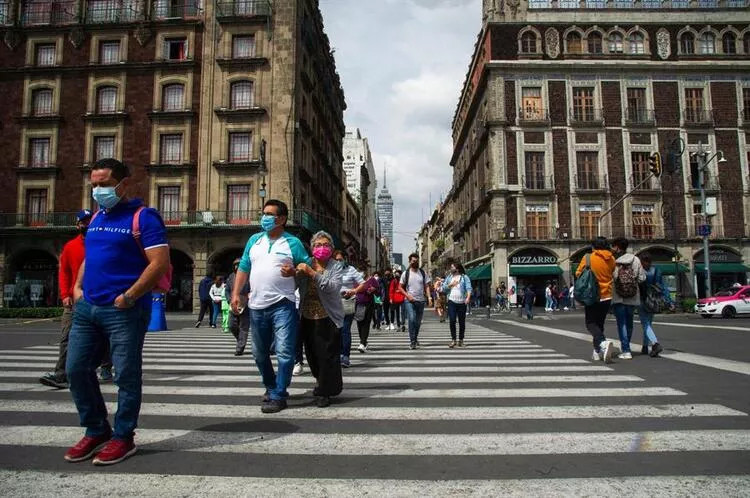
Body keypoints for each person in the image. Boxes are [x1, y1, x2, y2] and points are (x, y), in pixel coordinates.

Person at [65, 158, 169, 466]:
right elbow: (91, 256)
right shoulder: (97, 217)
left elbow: (159, 262)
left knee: (126, 374)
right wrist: (78, 287)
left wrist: (130, 296)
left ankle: (123, 437)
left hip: (123, 309)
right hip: (87, 307)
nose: (98, 190)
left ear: (123, 185)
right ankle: (96, 429)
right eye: (94, 184)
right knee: (75, 369)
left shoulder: (144, 217)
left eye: (105, 184)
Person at [231, 199, 310, 414]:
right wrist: (236, 293)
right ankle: (271, 385)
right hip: (256, 305)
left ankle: (279, 394)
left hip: (283, 304)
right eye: (263, 213)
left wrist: (294, 271)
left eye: (269, 214)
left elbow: (306, 265)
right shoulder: (254, 240)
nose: (264, 217)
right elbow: (244, 268)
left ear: (282, 219)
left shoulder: (293, 242)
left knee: (285, 352)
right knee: (259, 354)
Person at [39, 209, 92, 390]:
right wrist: (65, 295)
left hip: (97, 298)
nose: (86, 225)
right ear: (77, 225)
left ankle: (104, 367)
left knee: (104, 337)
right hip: (75, 301)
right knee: (66, 336)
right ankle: (61, 374)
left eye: (89, 221)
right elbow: (64, 273)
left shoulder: (101, 244)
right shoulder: (70, 247)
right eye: (83, 222)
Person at [295, 231, 344, 407]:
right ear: (311, 247)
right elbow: (294, 281)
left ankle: (324, 391)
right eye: (317, 245)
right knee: (312, 355)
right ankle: (320, 382)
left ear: (331, 248)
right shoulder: (306, 263)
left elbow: (332, 288)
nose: (321, 248)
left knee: (327, 356)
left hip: (328, 317)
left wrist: (312, 273)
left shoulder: (336, 266)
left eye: (325, 245)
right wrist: (291, 273)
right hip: (307, 315)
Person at [575, 236, 617, 363]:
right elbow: (612, 272)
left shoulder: (588, 258)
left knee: (590, 323)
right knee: (599, 324)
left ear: (594, 246)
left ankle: (603, 343)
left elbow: (578, 273)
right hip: (607, 295)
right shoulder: (611, 259)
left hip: (592, 295)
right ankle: (597, 352)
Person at [611, 237, 647, 360]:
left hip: (618, 296)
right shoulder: (635, 259)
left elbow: (613, 277)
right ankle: (627, 348)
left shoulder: (614, 261)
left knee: (621, 324)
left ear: (617, 247)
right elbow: (642, 278)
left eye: (613, 246)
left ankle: (625, 349)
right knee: (629, 322)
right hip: (632, 296)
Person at [332, 250, 364, 368]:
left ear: (345, 259)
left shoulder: (351, 269)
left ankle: (345, 356)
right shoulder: (330, 270)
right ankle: (338, 354)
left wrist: (353, 291)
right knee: (336, 331)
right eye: (337, 260)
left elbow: (362, 283)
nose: (339, 262)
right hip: (333, 304)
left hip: (347, 302)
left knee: (345, 330)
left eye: (341, 260)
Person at [399, 253, 433, 349]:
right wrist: (407, 295)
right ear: (410, 261)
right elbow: (400, 287)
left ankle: (415, 337)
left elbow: (426, 286)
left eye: (417, 261)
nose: (415, 262)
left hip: (421, 301)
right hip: (409, 301)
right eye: (413, 261)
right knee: (412, 319)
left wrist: (429, 298)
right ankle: (412, 341)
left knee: (418, 322)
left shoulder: (423, 273)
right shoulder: (406, 273)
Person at [638, 253, 667, 357]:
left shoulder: (639, 271)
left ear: (641, 261)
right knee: (648, 324)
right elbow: (662, 286)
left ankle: (655, 343)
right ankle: (645, 346)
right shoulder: (656, 270)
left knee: (645, 324)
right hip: (654, 300)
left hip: (642, 299)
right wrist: (667, 299)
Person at [345, 266, 378, 353]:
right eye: (358, 271)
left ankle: (362, 343)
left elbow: (378, 290)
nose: (360, 273)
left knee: (366, 323)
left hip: (369, 304)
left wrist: (373, 290)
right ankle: (363, 341)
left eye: (361, 271)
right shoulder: (356, 280)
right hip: (358, 304)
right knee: (360, 323)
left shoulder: (372, 280)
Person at [442, 262, 472, 348]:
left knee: (462, 322)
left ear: (457, 269)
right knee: (452, 320)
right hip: (452, 301)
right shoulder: (449, 277)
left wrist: (468, 298)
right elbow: (444, 288)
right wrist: (450, 285)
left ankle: (461, 340)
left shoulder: (464, 277)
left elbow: (469, 288)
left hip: (462, 302)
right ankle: (453, 340)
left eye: (452, 267)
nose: (450, 269)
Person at [225, 261, 250, 356]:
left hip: (245, 303)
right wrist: (228, 300)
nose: (237, 266)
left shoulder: (248, 276)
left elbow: (253, 288)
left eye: (239, 264)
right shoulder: (231, 277)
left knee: (244, 327)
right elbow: (227, 290)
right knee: (231, 325)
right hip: (233, 303)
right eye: (235, 265)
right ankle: (241, 339)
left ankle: (240, 348)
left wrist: (249, 296)